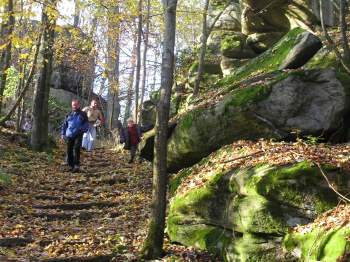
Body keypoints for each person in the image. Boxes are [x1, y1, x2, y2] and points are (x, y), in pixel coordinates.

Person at [61, 99, 89, 172]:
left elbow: (86, 124)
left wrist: (82, 130)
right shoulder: (68, 114)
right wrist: (62, 133)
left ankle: (76, 165)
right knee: (69, 149)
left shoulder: (83, 114)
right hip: (69, 134)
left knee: (76, 148)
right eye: (73, 105)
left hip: (78, 134)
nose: (74, 106)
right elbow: (64, 125)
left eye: (76, 105)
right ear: (71, 105)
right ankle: (70, 165)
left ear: (78, 105)